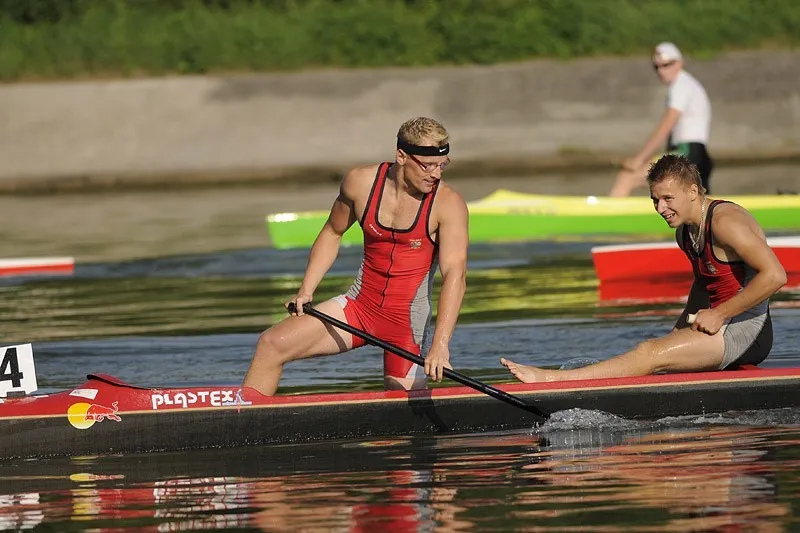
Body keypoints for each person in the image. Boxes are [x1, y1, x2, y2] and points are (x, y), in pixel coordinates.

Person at [503, 154, 786, 383]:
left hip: (749, 333)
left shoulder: (725, 222)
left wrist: (718, 314)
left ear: (692, 191)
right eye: (655, 200)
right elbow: (703, 285)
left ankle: (550, 379)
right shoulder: (684, 232)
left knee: (648, 352)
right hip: (722, 328)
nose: (661, 208)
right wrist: (676, 335)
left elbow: (775, 275)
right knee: (656, 350)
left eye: (668, 198)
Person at [243, 117, 469, 395]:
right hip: (358, 308)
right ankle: (241, 415)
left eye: (442, 165)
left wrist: (440, 346)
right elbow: (332, 232)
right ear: (401, 156)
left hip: (406, 325)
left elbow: (455, 275)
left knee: (404, 407)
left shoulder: (448, 203)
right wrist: (306, 290)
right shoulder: (360, 183)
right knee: (271, 344)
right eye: (427, 165)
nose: (436, 175)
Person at [610, 42, 714, 197]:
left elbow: (667, 124)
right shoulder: (687, 84)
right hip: (695, 154)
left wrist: (640, 158)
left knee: (627, 177)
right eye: (656, 67)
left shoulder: (681, 85)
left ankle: (607, 212)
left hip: (686, 153)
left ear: (679, 63)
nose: (661, 71)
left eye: (666, 65)